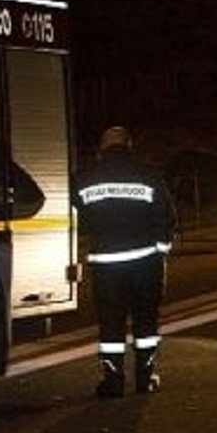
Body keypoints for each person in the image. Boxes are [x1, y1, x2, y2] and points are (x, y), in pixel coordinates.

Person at [72, 126, 176, 398]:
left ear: (101, 149)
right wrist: (161, 250)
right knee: (145, 323)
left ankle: (113, 381)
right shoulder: (148, 175)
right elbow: (166, 214)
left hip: (105, 264)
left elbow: (75, 215)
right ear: (129, 146)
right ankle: (145, 379)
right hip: (145, 262)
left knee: (110, 323)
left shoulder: (85, 179)